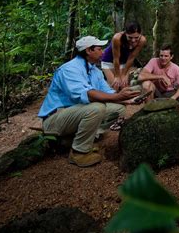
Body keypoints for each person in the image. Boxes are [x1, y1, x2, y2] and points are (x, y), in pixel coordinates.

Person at [38, 36, 139, 167]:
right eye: (99, 49)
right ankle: (79, 152)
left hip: (76, 113)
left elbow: (108, 93)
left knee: (118, 108)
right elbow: (86, 94)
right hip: (56, 118)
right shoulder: (69, 69)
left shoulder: (94, 71)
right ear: (88, 51)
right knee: (96, 108)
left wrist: (128, 99)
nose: (103, 52)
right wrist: (118, 97)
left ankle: (84, 138)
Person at [139, 44, 179, 111]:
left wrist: (173, 98)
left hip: (170, 93)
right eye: (161, 55)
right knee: (146, 84)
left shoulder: (176, 68)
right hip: (156, 93)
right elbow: (140, 76)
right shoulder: (153, 61)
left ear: (171, 57)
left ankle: (171, 107)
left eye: (166, 56)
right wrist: (161, 77)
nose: (163, 58)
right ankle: (149, 110)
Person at [101, 22, 147, 90]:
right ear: (125, 33)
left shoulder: (142, 40)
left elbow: (132, 57)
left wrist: (124, 75)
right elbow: (116, 58)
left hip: (124, 62)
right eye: (130, 37)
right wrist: (117, 76)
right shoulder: (117, 38)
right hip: (109, 61)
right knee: (115, 86)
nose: (133, 40)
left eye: (136, 37)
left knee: (123, 85)